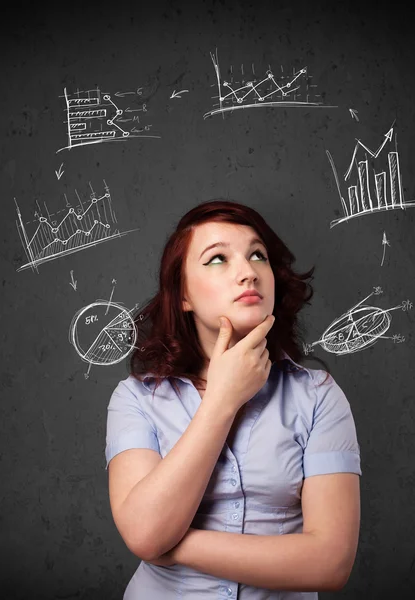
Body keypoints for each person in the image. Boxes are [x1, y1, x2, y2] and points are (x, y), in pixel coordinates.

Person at [105, 199, 362, 599]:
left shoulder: (318, 396)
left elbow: (330, 563)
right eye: (217, 259)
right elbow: (142, 531)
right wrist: (223, 400)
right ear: (183, 295)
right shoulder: (136, 398)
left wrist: (170, 546)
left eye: (257, 255)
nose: (248, 273)